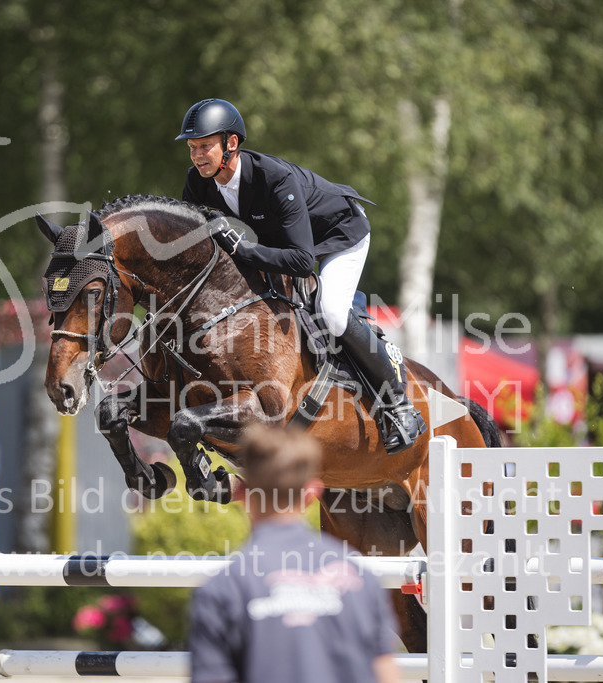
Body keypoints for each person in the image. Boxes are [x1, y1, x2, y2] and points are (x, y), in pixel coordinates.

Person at [176, 98, 425, 453]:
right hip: (284, 243)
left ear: (231, 144)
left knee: (332, 313)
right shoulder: (198, 182)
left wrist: (242, 250)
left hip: (339, 235)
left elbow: (301, 261)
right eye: (192, 148)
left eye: (204, 146)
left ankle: (399, 404)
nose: (197, 155)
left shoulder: (275, 178)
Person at [188, 425, 400, 683]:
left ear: (242, 492)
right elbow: (387, 676)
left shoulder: (222, 589)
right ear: (312, 494)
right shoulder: (362, 579)